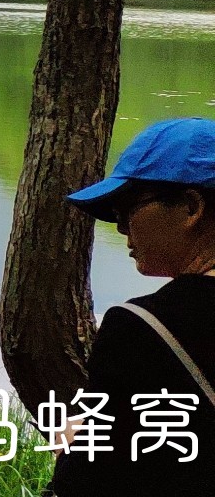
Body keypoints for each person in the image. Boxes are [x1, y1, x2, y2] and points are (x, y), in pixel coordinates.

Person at [51, 117, 215, 496]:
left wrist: (75, 447)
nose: (122, 228)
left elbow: (84, 485)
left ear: (191, 207)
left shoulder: (143, 327)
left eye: (127, 208)